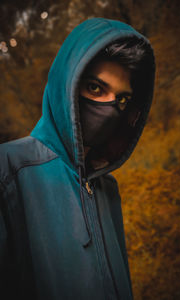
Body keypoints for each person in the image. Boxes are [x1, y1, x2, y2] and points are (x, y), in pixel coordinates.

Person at [0, 17, 155, 300]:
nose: (109, 109)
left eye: (121, 100)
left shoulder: (107, 188)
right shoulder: (9, 171)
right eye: (96, 88)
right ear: (67, 87)